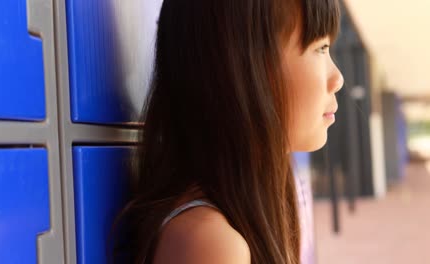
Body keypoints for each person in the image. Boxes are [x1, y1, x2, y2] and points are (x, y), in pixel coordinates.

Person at [115, 0, 344, 263]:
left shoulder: (236, 218)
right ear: (244, 66)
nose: (337, 78)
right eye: (320, 48)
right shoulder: (210, 242)